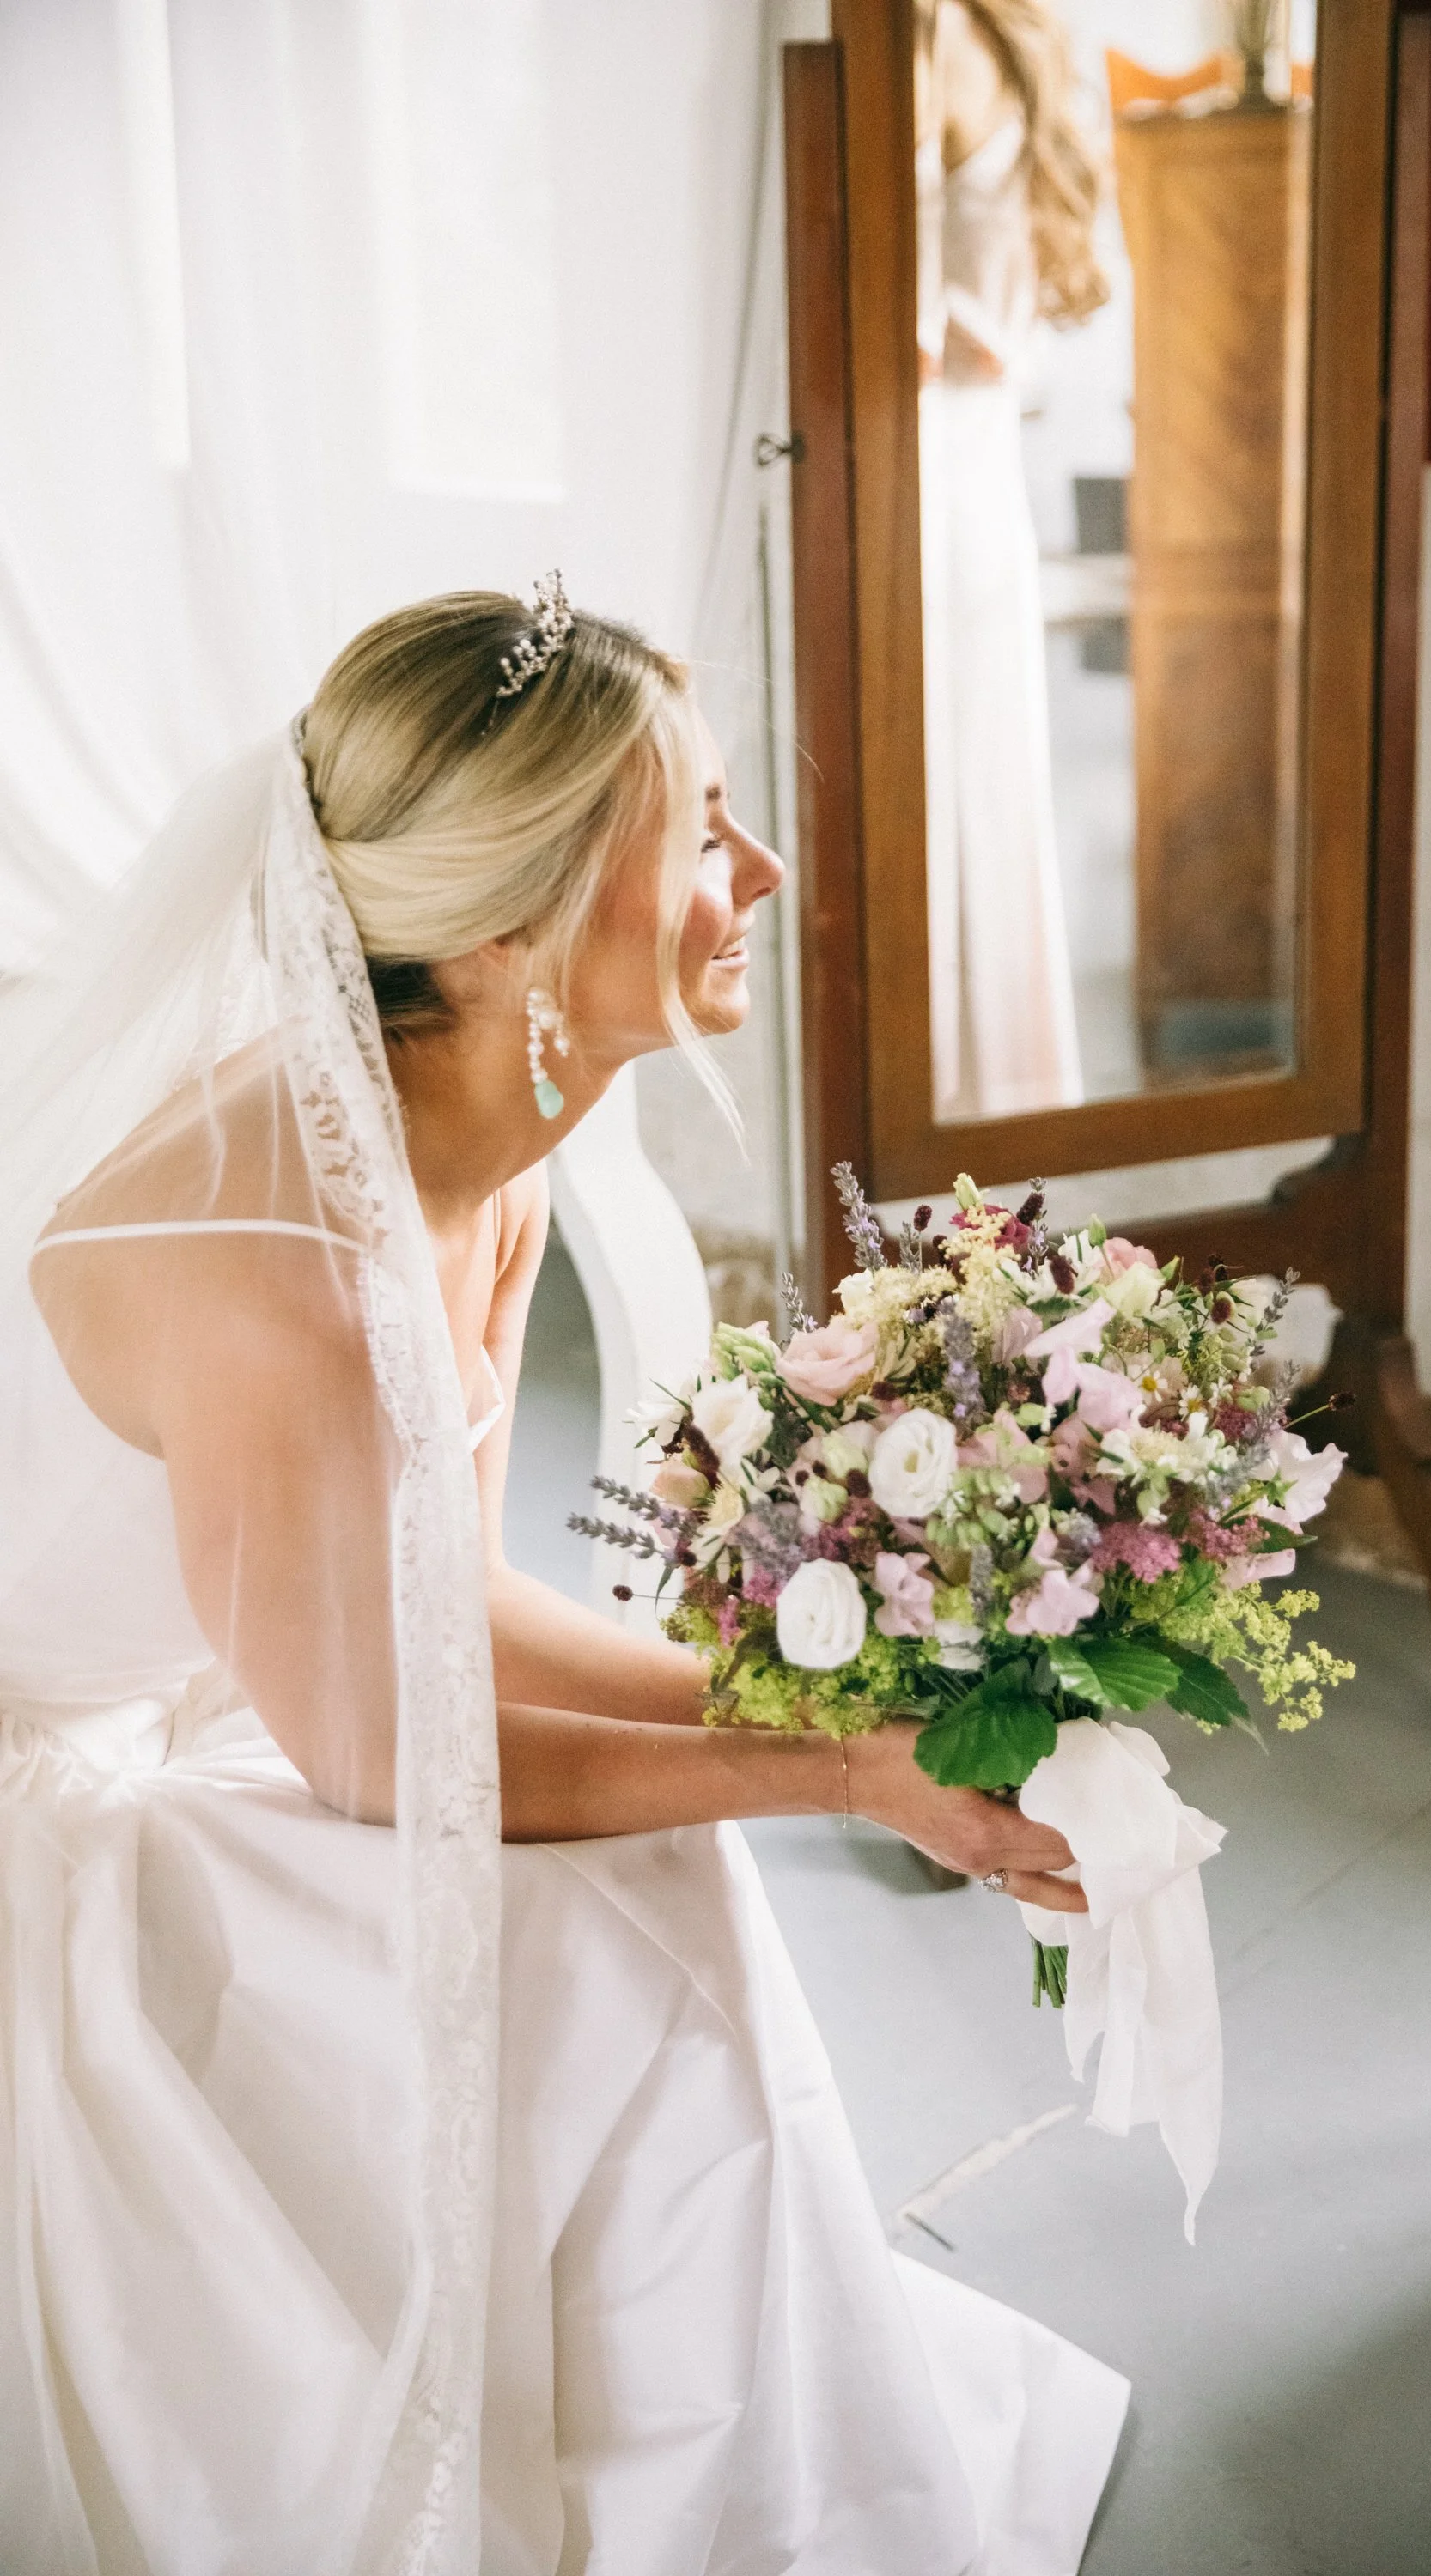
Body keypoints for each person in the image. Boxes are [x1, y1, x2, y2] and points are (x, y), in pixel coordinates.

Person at [0, 584, 1126, 2573]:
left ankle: (735, 2460)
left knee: (655, 1875)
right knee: (636, 1896)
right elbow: (381, 1758)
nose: (759, 867)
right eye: (696, 832)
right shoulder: (282, 1274)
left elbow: (441, 1614)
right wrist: (851, 1780)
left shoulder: (482, 1150)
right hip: (58, 1792)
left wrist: (842, 1718)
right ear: (509, 927)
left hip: (245, 1706)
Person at [917, 0, 1107, 1123]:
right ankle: (1007, 1091)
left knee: (946, 778)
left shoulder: (930, 37)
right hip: (980, 474)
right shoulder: (1025, 39)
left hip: (938, 462)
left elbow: (918, 315)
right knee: (984, 779)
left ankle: (947, 1091)